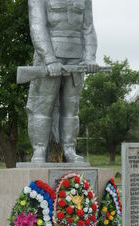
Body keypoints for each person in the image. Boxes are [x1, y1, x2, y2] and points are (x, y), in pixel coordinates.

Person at [27, 0, 98, 163]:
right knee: (43, 106)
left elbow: (88, 28)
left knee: (72, 109)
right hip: (49, 57)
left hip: (77, 58)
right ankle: (39, 149)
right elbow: (37, 26)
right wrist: (49, 59)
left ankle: (69, 149)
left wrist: (90, 57)